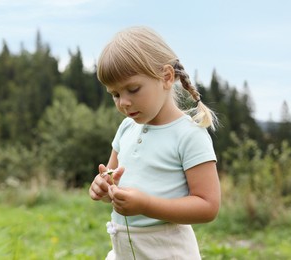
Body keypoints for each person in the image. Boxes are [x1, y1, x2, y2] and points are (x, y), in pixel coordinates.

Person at [89, 26, 221, 260]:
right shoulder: (127, 128)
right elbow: (113, 181)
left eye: (133, 89)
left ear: (166, 77)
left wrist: (146, 205)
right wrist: (104, 187)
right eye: (115, 94)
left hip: (167, 251)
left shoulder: (189, 135)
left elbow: (208, 206)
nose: (124, 103)